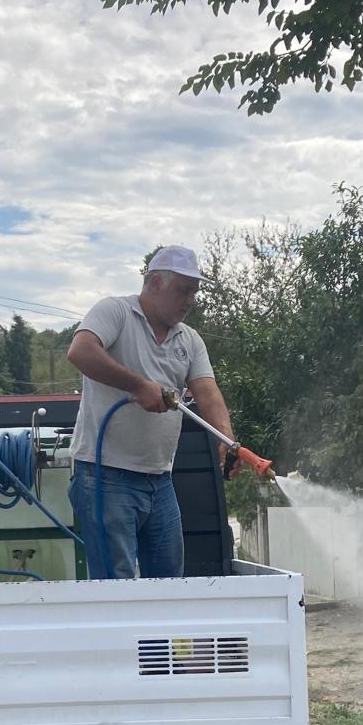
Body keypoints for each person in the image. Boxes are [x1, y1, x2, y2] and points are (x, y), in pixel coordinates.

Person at [66, 245, 236, 579]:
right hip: (105, 476)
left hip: (160, 479)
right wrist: (138, 386)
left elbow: (206, 390)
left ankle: (162, 634)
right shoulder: (114, 312)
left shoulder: (189, 339)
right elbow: (81, 351)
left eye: (194, 292)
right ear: (155, 283)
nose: (190, 300)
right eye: (183, 290)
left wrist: (226, 438)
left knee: (169, 580)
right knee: (116, 584)